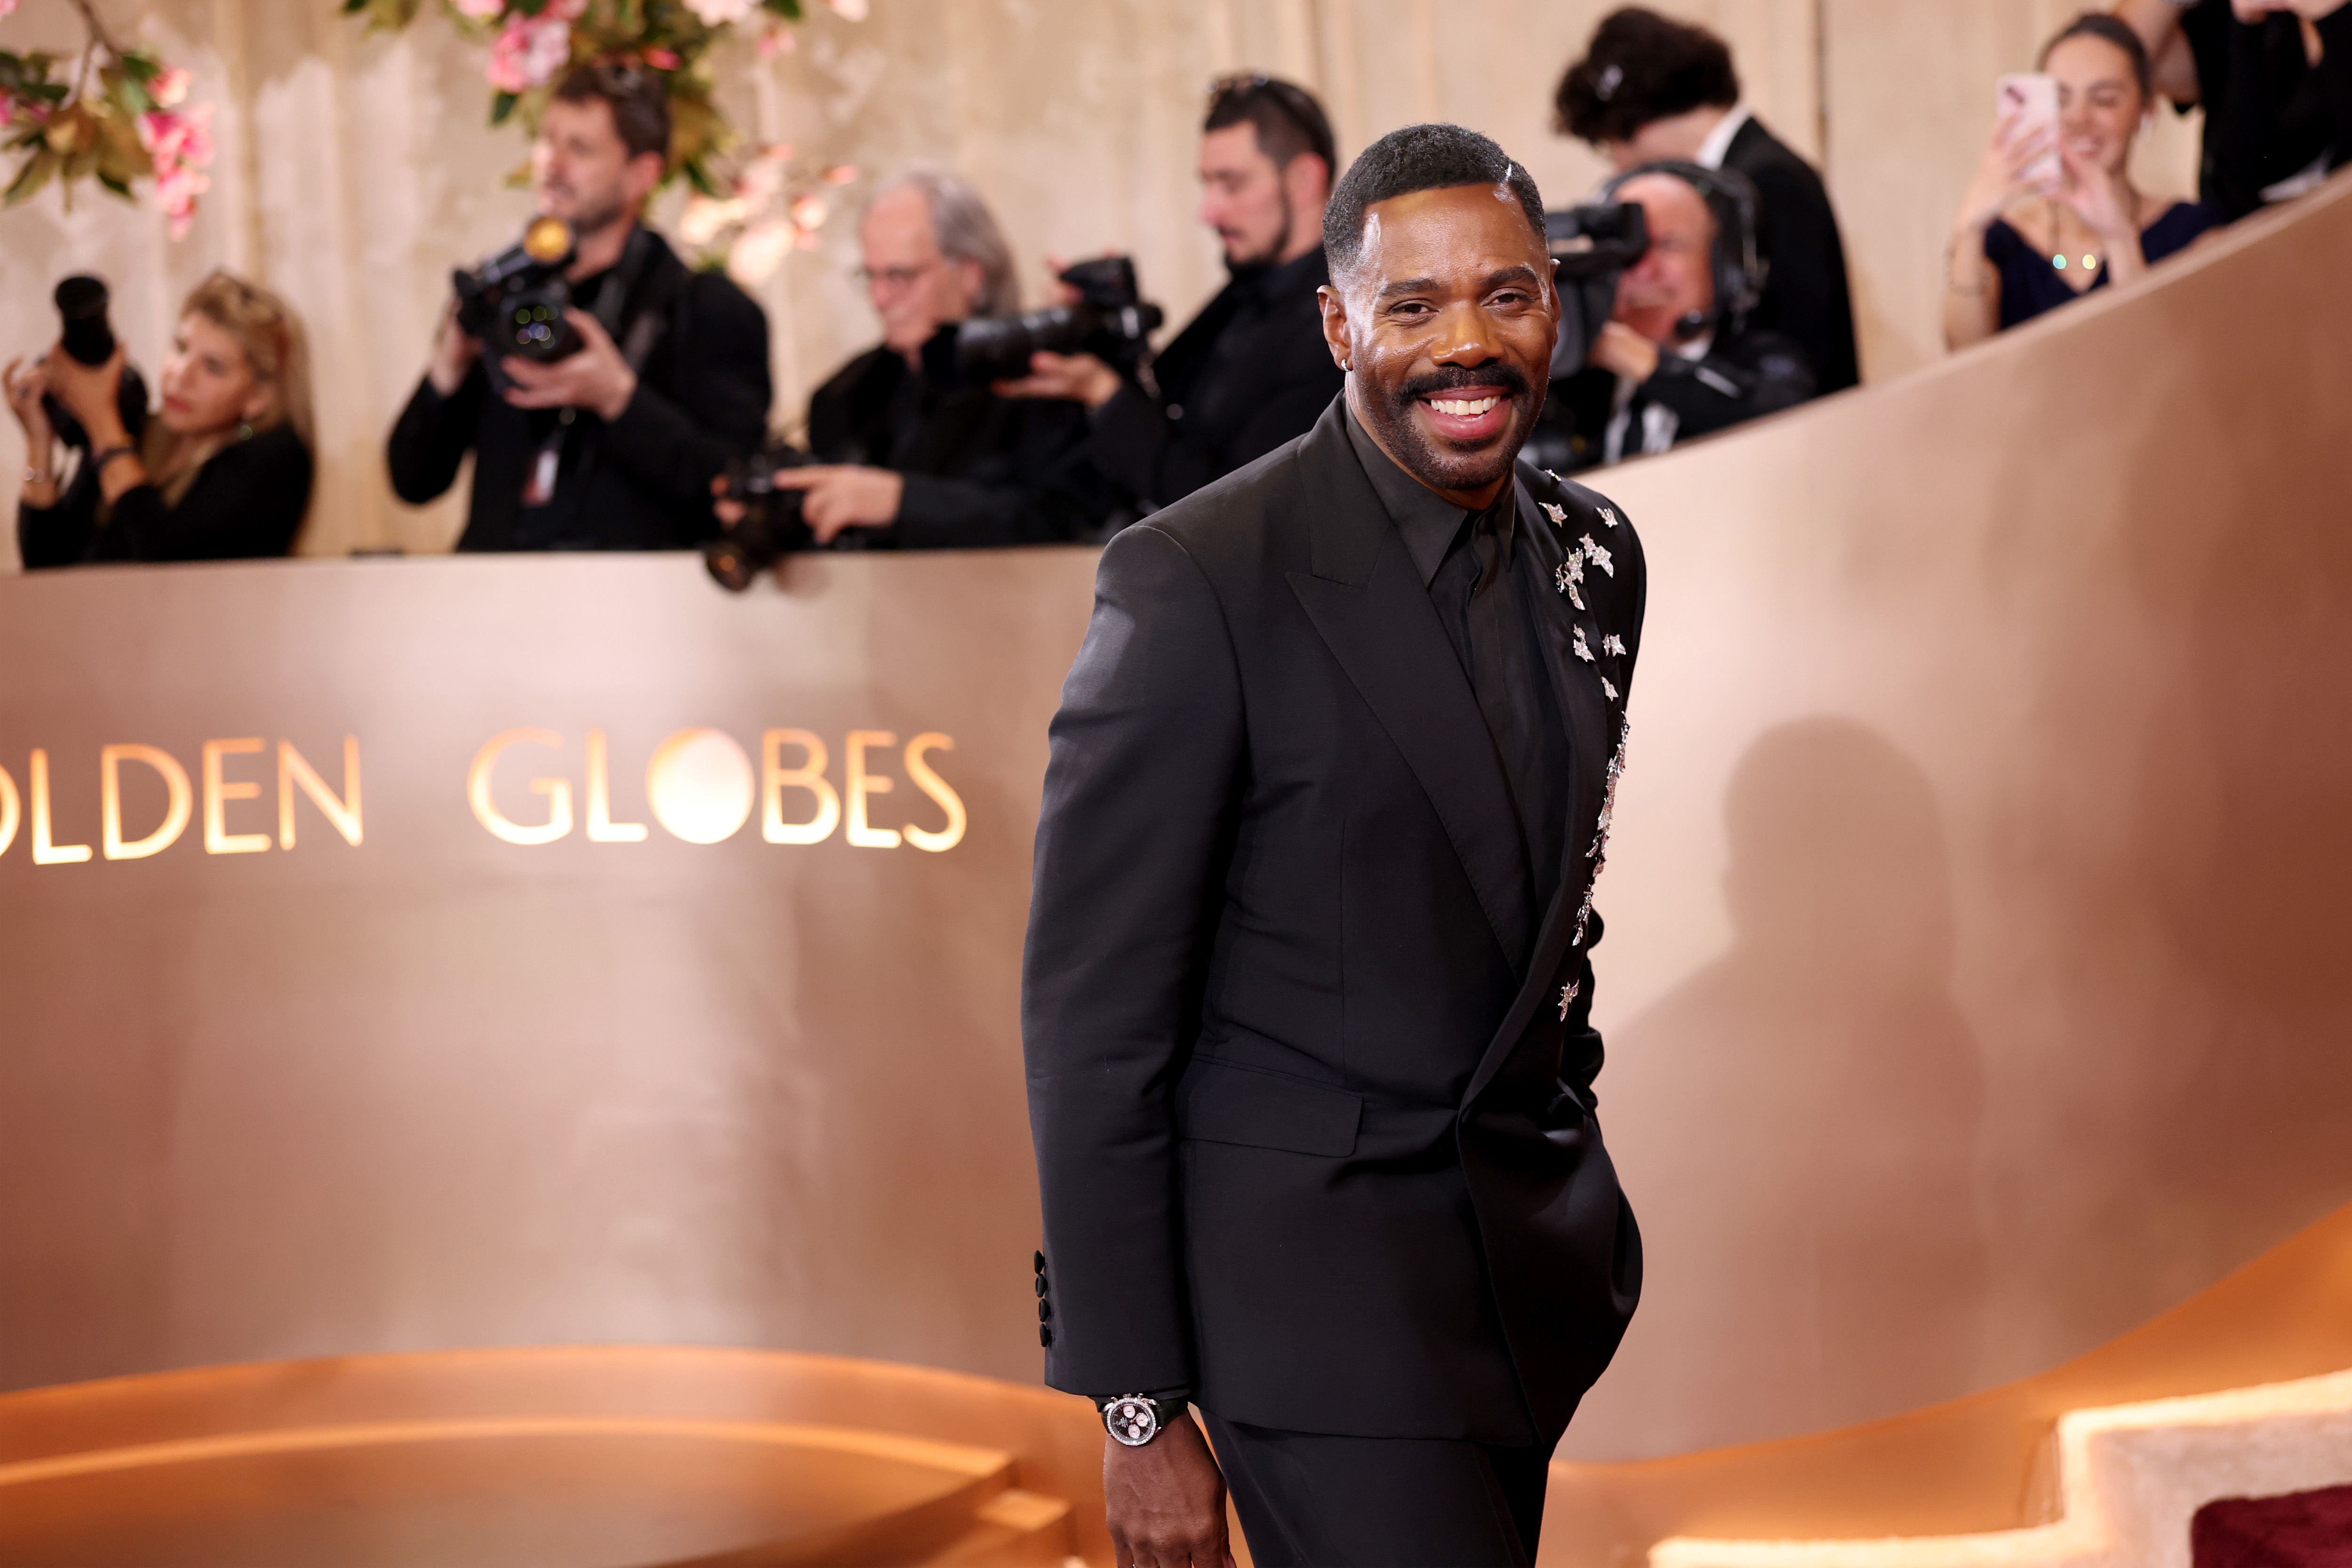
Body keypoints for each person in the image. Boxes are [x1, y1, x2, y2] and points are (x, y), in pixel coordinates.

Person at [1023, 122, 1645, 1567]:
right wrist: (1135, 1403)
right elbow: (1094, 1024)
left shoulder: (1597, 553)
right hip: (1306, 1312)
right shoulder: (1196, 578)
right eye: (1411, 305)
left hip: (1522, 1288)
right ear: (1337, 324)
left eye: (1503, 294)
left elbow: (1549, 917)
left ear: (1553, 304)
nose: (1464, 343)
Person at [387, 63, 771, 551]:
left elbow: (735, 485)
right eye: (548, 141)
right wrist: (448, 367)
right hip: (496, 584)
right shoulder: (506, 297)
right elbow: (413, 481)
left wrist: (620, 400)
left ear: (641, 175)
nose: (553, 164)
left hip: (635, 590)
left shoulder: (708, 308)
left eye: (581, 148)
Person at [998, 74, 1343, 513]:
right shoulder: (1243, 294)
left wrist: (1102, 392)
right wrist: (1099, 335)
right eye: (1207, 184)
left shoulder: (1341, 332)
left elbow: (1238, 506)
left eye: (1232, 184)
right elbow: (1169, 427)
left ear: (1304, 180)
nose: (1209, 212)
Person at [778, 167, 1108, 549]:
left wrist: (902, 502)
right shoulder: (844, 395)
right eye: (871, 276)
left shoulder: (1045, 377)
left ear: (970, 274)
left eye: (900, 276)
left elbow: (1064, 523)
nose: (879, 299)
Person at [1555, 6, 1860, 393]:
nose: (1618, 165)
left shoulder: (1766, 177)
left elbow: (1805, 339)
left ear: (1632, 122)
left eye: (1607, 143)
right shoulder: (1753, 168)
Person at [1945, 14, 2225, 348]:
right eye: (2059, 100)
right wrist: (1969, 228)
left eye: (2104, 99)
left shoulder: (2194, 233)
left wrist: (2119, 239)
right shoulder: (2003, 242)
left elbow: (2166, 359)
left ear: (2147, 109)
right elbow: (1965, 353)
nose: (2078, 118)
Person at [8, 271, 314, 566]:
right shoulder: (135, 434)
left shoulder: (276, 457)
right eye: (181, 348)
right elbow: (46, 566)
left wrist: (101, 420)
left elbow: (168, 563)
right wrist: (39, 439)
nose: (181, 374)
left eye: (213, 367)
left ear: (260, 396)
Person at [1537, 162, 1815, 472]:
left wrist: (1645, 363)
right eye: (1626, 249)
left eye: (1669, 245)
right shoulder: (1578, 382)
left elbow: (1790, 422)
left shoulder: (1764, 360)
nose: (1645, 270)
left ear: (1724, 266)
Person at [2119, 0, 2351, 220]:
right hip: (2249, 230)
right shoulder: (2233, 20)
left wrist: (2335, 18)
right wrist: (2246, 26)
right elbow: (2118, 62)